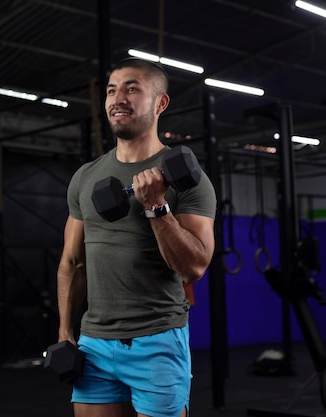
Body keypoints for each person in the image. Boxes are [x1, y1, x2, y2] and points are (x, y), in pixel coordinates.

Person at [56, 57, 217, 417]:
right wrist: (65, 330)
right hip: (94, 341)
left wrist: (157, 207)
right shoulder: (85, 176)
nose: (118, 98)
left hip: (157, 339)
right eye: (112, 90)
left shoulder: (189, 178)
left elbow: (194, 267)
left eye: (132, 88)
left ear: (160, 103)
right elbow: (72, 261)